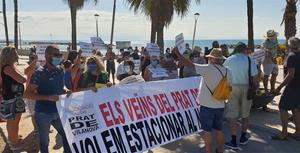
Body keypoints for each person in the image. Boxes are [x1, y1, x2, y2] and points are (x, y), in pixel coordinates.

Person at [173, 47, 232, 153]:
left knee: (207, 132)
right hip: (220, 106)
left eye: (210, 58)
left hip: (207, 107)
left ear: (212, 59)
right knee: (219, 130)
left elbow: (189, 64)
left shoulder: (208, 69)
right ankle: (221, 150)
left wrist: (177, 53)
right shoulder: (228, 71)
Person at [24, 45, 72, 153]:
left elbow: (61, 86)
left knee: (67, 134)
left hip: (59, 111)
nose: (59, 57)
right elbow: (27, 94)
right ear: (47, 56)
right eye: (56, 55)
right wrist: (48, 97)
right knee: (44, 142)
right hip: (43, 113)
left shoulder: (60, 70)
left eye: (59, 55)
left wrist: (66, 90)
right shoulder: (38, 73)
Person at [223, 42, 259, 150]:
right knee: (245, 114)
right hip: (247, 88)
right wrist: (256, 88)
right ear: (243, 50)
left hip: (232, 88)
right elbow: (255, 77)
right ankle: (243, 137)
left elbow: (223, 74)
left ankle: (233, 141)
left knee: (232, 115)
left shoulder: (229, 59)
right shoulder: (249, 59)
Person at [272, 37, 300, 141]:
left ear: (289, 46)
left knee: (282, 107)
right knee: (295, 108)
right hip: (298, 87)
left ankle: (284, 133)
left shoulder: (291, 56)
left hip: (292, 86)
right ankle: (298, 132)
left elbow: (290, 75)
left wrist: (279, 87)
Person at [0, 46, 27, 150]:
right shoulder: (7, 68)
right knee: (13, 121)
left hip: (15, 98)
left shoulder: (10, 67)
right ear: (10, 55)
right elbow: (21, 79)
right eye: (15, 53)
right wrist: (25, 77)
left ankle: (14, 137)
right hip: (12, 99)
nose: (17, 55)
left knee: (14, 121)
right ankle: (14, 143)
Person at [24, 53, 38, 134]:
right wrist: (35, 61)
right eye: (32, 58)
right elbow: (27, 72)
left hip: (39, 93)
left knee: (40, 113)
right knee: (33, 113)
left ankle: (41, 128)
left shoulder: (40, 68)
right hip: (31, 95)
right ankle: (36, 129)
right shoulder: (28, 68)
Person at [261, 30, 279, 94]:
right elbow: (268, 52)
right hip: (267, 60)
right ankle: (266, 90)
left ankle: (272, 89)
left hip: (274, 59)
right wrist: (273, 59)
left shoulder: (275, 39)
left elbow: (276, 47)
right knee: (267, 75)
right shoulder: (266, 42)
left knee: (275, 73)